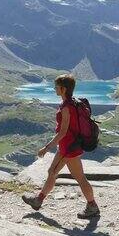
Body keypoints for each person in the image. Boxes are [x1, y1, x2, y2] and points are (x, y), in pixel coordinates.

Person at [22, 74, 100, 218]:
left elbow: (63, 132)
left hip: (69, 149)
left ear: (63, 89)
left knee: (80, 178)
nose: (54, 89)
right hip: (68, 147)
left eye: (56, 86)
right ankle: (38, 200)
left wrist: (46, 148)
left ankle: (92, 206)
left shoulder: (66, 107)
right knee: (52, 172)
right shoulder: (74, 103)